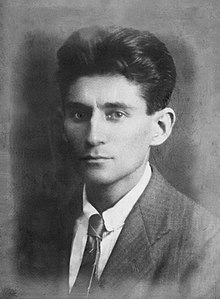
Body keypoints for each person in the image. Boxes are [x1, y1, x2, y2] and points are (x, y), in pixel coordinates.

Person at [53, 26, 220, 298]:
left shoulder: (206, 245)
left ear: (160, 128)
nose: (93, 136)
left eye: (116, 114)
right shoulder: (28, 227)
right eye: (79, 114)